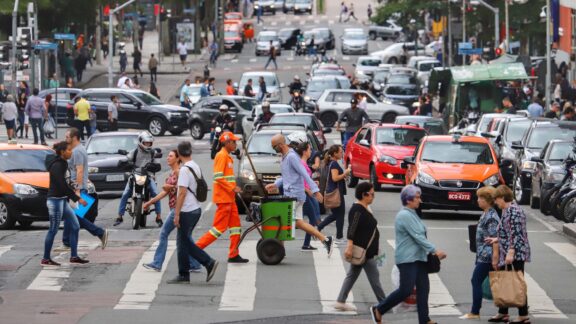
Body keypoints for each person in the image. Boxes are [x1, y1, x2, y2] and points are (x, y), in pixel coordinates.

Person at [370, 185, 447, 324]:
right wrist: (434, 250)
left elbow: (420, 235)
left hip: (419, 258)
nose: (420, 200)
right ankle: (379, 309)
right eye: (417, 197)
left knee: (424, 289)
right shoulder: (404, 215)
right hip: (408, 259)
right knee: (405, 289)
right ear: (408, 200)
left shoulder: (413, 213)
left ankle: (424, 319)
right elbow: (418, 236)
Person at [265, 133, 335, 257]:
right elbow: (288, 176)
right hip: (293, 194)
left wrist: (315, 191)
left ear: (281, 145)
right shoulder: (285, 157)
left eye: (274, 146)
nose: (273, 149)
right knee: (294, 222)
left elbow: (304, 174)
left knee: (284, 220)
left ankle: (279, 250)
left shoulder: (291, 157)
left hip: (294, 195)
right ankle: (325, 239)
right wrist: (275, 184)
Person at [168, 141, 219, 283]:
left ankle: (208, 262)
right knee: (183, 242)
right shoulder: (195, 166)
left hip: (187, 210)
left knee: (183, 242)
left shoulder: (184, 170)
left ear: (179, 153)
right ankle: (184, 274)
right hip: (195, 209)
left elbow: (182, 193)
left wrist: (177, 214)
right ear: (190, 151)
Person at [142, 149, 202, 272]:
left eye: (170, 156)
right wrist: (149, 202)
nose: (167, 158)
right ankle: (195, 264)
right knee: (187, 237)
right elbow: (164, 192)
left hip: (178, 209)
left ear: (177, 158)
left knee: (164, 233)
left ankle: (157, 263)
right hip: (178, 209)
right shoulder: (172, 173)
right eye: (168, 156)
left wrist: (170, 187)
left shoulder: (180, 172)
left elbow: (183, 189)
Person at [196, 132, 249, 263]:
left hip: (229, 199)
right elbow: (218, 177)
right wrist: (233, 188)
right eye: (234, 142)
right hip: (224, 199)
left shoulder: (227, 156)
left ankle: (233, 254)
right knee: (218, 229)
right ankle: (195, 249)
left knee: (236, 227)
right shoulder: (221, 156)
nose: (235, 144)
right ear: (227, 143)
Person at [335, 182, 385, 311]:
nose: (373, 197)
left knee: (352, 276)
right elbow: (352, 229)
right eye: (372, 194)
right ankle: (385, 305)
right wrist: (349, 246)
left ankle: (341, 301)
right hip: (364, 252)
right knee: (375, 281)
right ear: (364, 195)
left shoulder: (364, 208)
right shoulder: (357, 209)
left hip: (365, 251)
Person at [484, 185, 531, 324]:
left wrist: (511, 252)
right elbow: (508, 232)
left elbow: (517, 235)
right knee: (505, 280)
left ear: (503, 198)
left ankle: (523, 315)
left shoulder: (513, 211)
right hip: (509, 250)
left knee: (517, 282)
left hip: (515, 253)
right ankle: (503, 312)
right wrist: (497, 239)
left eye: (497, 199)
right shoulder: (507, 210)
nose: (496, 203)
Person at [43, 141, 88, 266]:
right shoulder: (58, 165)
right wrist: (77, 198)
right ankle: (46, 258)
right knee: (53, 229)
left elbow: (65, 182)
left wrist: (72, 186)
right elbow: (61, 185)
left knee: (75, 226)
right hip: (55, 201)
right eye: (69, 150)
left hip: (62, 200)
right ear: (62, 152)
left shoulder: (63, 163)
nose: (71, 152)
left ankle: (74, 256)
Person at [63, 128, 108, 250]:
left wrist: (77, 190)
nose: (66, 139)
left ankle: (100, 232)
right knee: (71, 215)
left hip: (78, 189)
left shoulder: (77, 151)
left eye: (67, 137)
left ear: (74, 137)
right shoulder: (78, 149)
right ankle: (66, 242)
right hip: (77, 187)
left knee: (74, 217)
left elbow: (80, 170)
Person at [459, 186, 500, 320]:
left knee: (476, 280)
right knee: (487, 282)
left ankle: (475, 311)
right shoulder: (486, 213)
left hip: (487, 256)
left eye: (480, 198)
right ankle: (502, 311)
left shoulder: (491, 217)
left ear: (487, 200)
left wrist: (494, 258)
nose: (478, 200)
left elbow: (495, 239)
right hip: (483, 254)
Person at [114, 131, 163, 227]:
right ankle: (119, 216)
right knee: (124, 194)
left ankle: (159, 217)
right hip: (134, 175)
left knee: (156, 194)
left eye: (149, 143)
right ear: (141, 141)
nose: (148, 144)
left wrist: (154, 166)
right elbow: (127, 159)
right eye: (146, 143)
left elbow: (158, 165)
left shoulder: (153, 152)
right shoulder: (134, 152)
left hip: (148, 176)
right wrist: (124, 163)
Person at [317, 145, 349, 244]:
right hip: (336, 193)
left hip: (336, 191)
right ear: (335, 153)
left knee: (336, 215)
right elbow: (335, 178)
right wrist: (346, 173)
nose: (342, 154)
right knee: (339, 214)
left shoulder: (333, 163)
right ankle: (339, 237)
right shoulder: (334, 164)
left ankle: (319, 227)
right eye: (340, 152)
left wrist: (344, 176)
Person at [295, 141, 322, 251]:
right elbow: (299, 181)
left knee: (313, 218)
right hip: (304, 194)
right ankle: (311, 241)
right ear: (304, 151)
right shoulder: (300, 163)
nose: (311, 151)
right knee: (310, 218)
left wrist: (313, 184)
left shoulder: (304, 164)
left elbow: (306, 179)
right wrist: (308, 189)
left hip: (308, 193)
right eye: (309, 149)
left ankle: (307, 243)